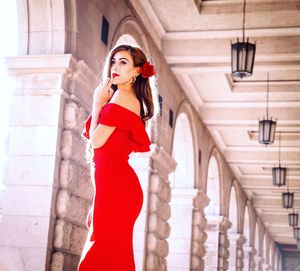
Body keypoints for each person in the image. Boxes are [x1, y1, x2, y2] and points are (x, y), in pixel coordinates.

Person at [77, 44, 157, 271]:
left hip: (118, 187)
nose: (115, 66)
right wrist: (98, 201)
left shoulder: (121, 97)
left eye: (123, 62)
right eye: (113, 61)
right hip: (115, 186)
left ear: (136, 72)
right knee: (111, 255)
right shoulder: (122, 96)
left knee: (100, 254)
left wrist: (97, 102)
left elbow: (96, 142)